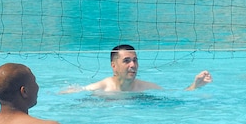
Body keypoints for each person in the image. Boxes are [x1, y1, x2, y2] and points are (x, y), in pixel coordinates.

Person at [75, 44, 212, 92]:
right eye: (126, 61)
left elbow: (175, 94)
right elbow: (71, 94)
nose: (133, 65)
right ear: (114, 66)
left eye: (135, 60)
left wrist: (195, 85)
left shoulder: (145, 87)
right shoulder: (101, 88)